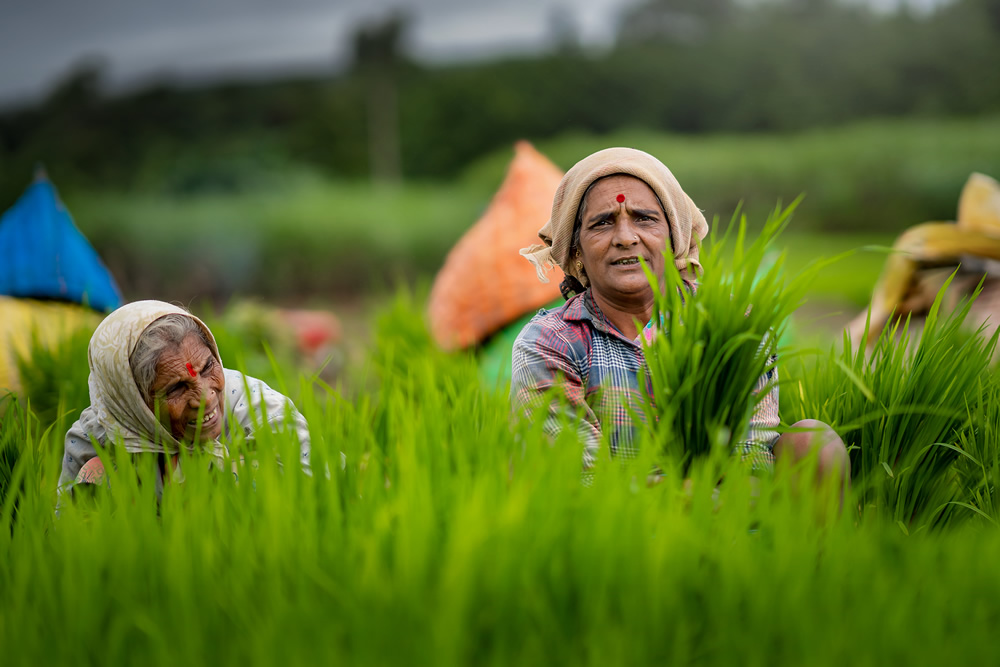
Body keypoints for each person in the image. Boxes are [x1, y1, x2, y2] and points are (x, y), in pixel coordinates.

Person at [511, 147, 848, 483]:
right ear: (576, 249)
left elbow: (752, 455)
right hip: (614, 524)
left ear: (675, 238)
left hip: (735, 512)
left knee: (814, 441)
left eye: (644, 218)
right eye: (602, 223)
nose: (626, 238)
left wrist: (719, 505)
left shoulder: (732, 322)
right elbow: (581, 478)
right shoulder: (551, 341)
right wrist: (685, 500)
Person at [57, 300, 311, 501]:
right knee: (97, 471)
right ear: (133, 401)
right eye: (177, 388)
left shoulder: (266, 417)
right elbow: (61, 537)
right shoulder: (99, 436)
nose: (205, 398)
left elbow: (322, 498)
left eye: (208, 367)